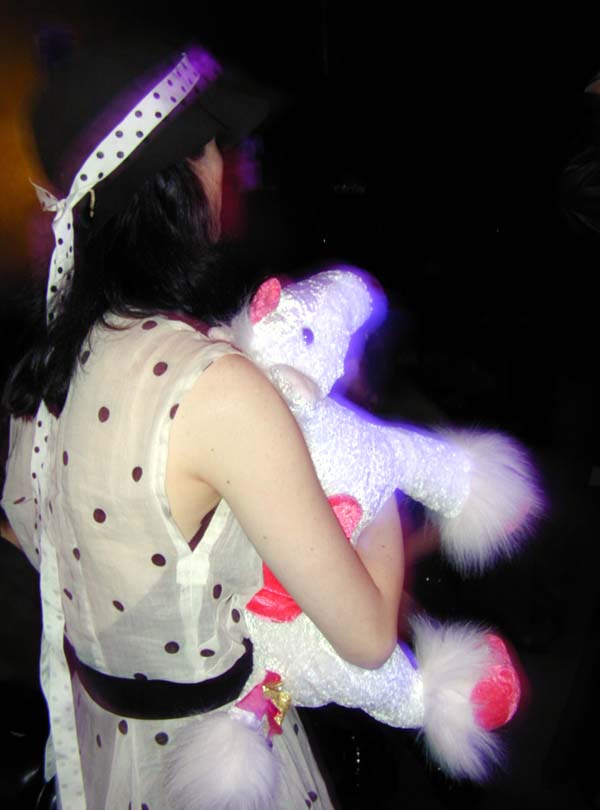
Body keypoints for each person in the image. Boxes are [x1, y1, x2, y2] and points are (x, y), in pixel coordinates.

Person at [0, 30, 404, 810]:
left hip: (105, 754)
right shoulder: (216, 387)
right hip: (216, 770)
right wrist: (374, 457)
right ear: (173, 178)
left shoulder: (43, 371)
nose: (231, 166)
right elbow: (368, 639)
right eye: (214, 146)